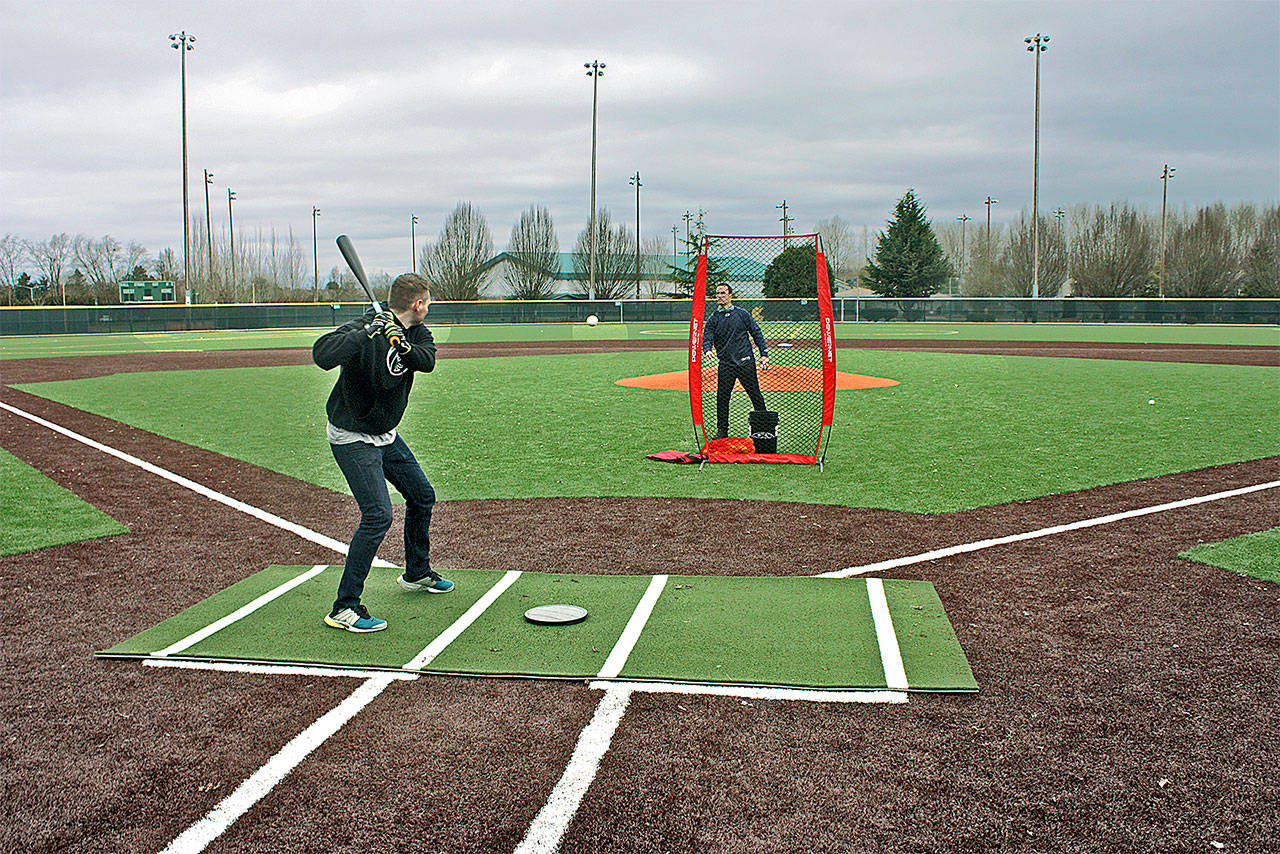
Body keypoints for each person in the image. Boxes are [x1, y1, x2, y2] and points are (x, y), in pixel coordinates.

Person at [312, 273, 453, 633]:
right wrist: (368, 332)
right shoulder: (366, 326)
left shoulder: (417, 333)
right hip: (352, 435)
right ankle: (345, 607)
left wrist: (401, 343)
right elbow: (323, 354)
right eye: (428, 303)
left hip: (384, 434)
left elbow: (426, 360)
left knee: (422, 495)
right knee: (377, 515)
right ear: (417, 304)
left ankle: (416, 572)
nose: (428, 308)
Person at [702, 282, 769, 439]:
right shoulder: (713, 319)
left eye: (723, 293)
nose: (720, 296)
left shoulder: (742, 314)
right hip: (726, 364)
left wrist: (764, 354)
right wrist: (707, 350)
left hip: (745, 362)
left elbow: (756, 332)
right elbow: (707, 337)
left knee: (755, 395)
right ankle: (722, 431)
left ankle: (765, 429)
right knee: (722, 397)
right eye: (718, 293)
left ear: (730, 296)